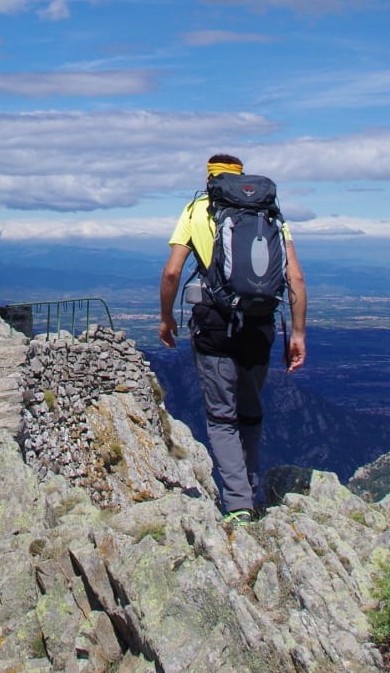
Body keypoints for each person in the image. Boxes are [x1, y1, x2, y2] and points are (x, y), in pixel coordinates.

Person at [158, 153, 307, 522]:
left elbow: (172, 272)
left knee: (222, 417)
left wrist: (165, 320)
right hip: (260, 325)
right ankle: (252, 491)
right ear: (242, 177)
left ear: (209, 177)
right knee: (250, 410)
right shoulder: (269, 213)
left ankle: (239, 504)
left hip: (213, 325)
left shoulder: (196, 210)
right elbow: (296, 280)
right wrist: (299, 333)